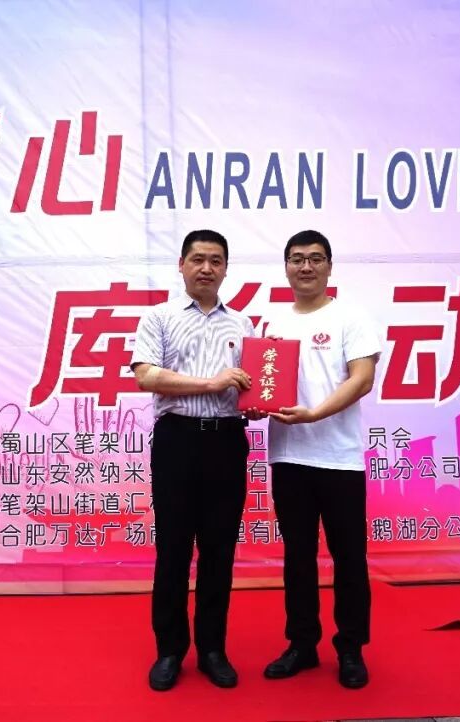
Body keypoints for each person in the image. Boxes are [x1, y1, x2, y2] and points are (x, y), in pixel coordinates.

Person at [246, 229, 381, 689]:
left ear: (329, 267)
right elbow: (262, 386)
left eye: (315, 258)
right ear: (286, 267)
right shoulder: (272, 323)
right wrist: (254, 406)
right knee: (298, 556)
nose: (306, 267)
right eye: (297, 259)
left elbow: (362, 379)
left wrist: (314, 414)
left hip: (340, 459)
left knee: (349, 557)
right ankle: (302, 644)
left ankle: (351, 648)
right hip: (289, 458)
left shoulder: (350, 316)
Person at [131, 229, 255, 691]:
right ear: (181, 265)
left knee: (220, 550)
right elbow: (146, 376)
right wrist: (211, 383)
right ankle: (169, 651)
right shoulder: (159, 317)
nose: (206, 268)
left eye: (215, 260)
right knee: (174, 549)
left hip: (227, 442)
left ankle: (212, 649)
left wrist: (258, 403)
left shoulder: (243, 324)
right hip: (177, 441)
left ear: (226, 269)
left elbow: (250, 386)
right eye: (198, 259)